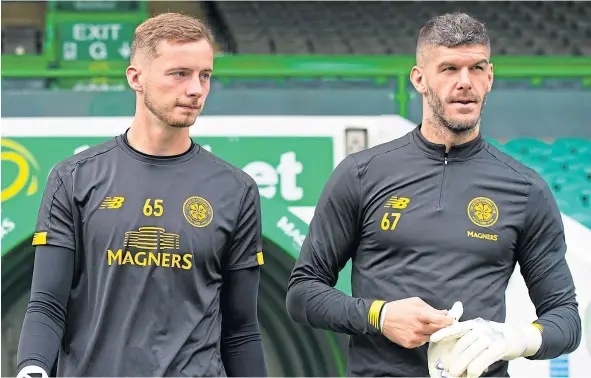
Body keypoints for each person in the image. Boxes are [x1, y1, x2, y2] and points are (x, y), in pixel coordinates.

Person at [285, 12, 581, 378]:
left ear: (490, 78)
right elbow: (303, 293)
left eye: (476, 69)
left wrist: (511, 338)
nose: (464, 82)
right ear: (419, 79)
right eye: (449, 69)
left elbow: (565, 319)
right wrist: (380, 316)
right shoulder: (362, 173)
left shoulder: (526, 188)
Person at [16, 13, 267, 377]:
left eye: (205, 75)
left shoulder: (236, 190)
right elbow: (47, 304)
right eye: (180, 73)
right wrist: (33, 367)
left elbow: (241, 329)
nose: (196, 89)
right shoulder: (73, 178)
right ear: (136, 77)